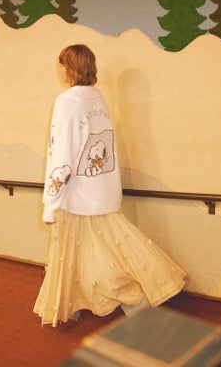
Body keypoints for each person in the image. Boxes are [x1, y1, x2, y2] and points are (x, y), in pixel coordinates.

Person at [33, 44, 186, 327]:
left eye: (62, 64)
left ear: (71, 68)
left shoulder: (67, 101)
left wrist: (51, 204)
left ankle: (133, 299)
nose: (60, 70)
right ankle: (75, 302)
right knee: (85, 252)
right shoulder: (97, 97)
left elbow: (63, 156)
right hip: (100, 191)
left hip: (76, 196)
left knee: (88, 254)